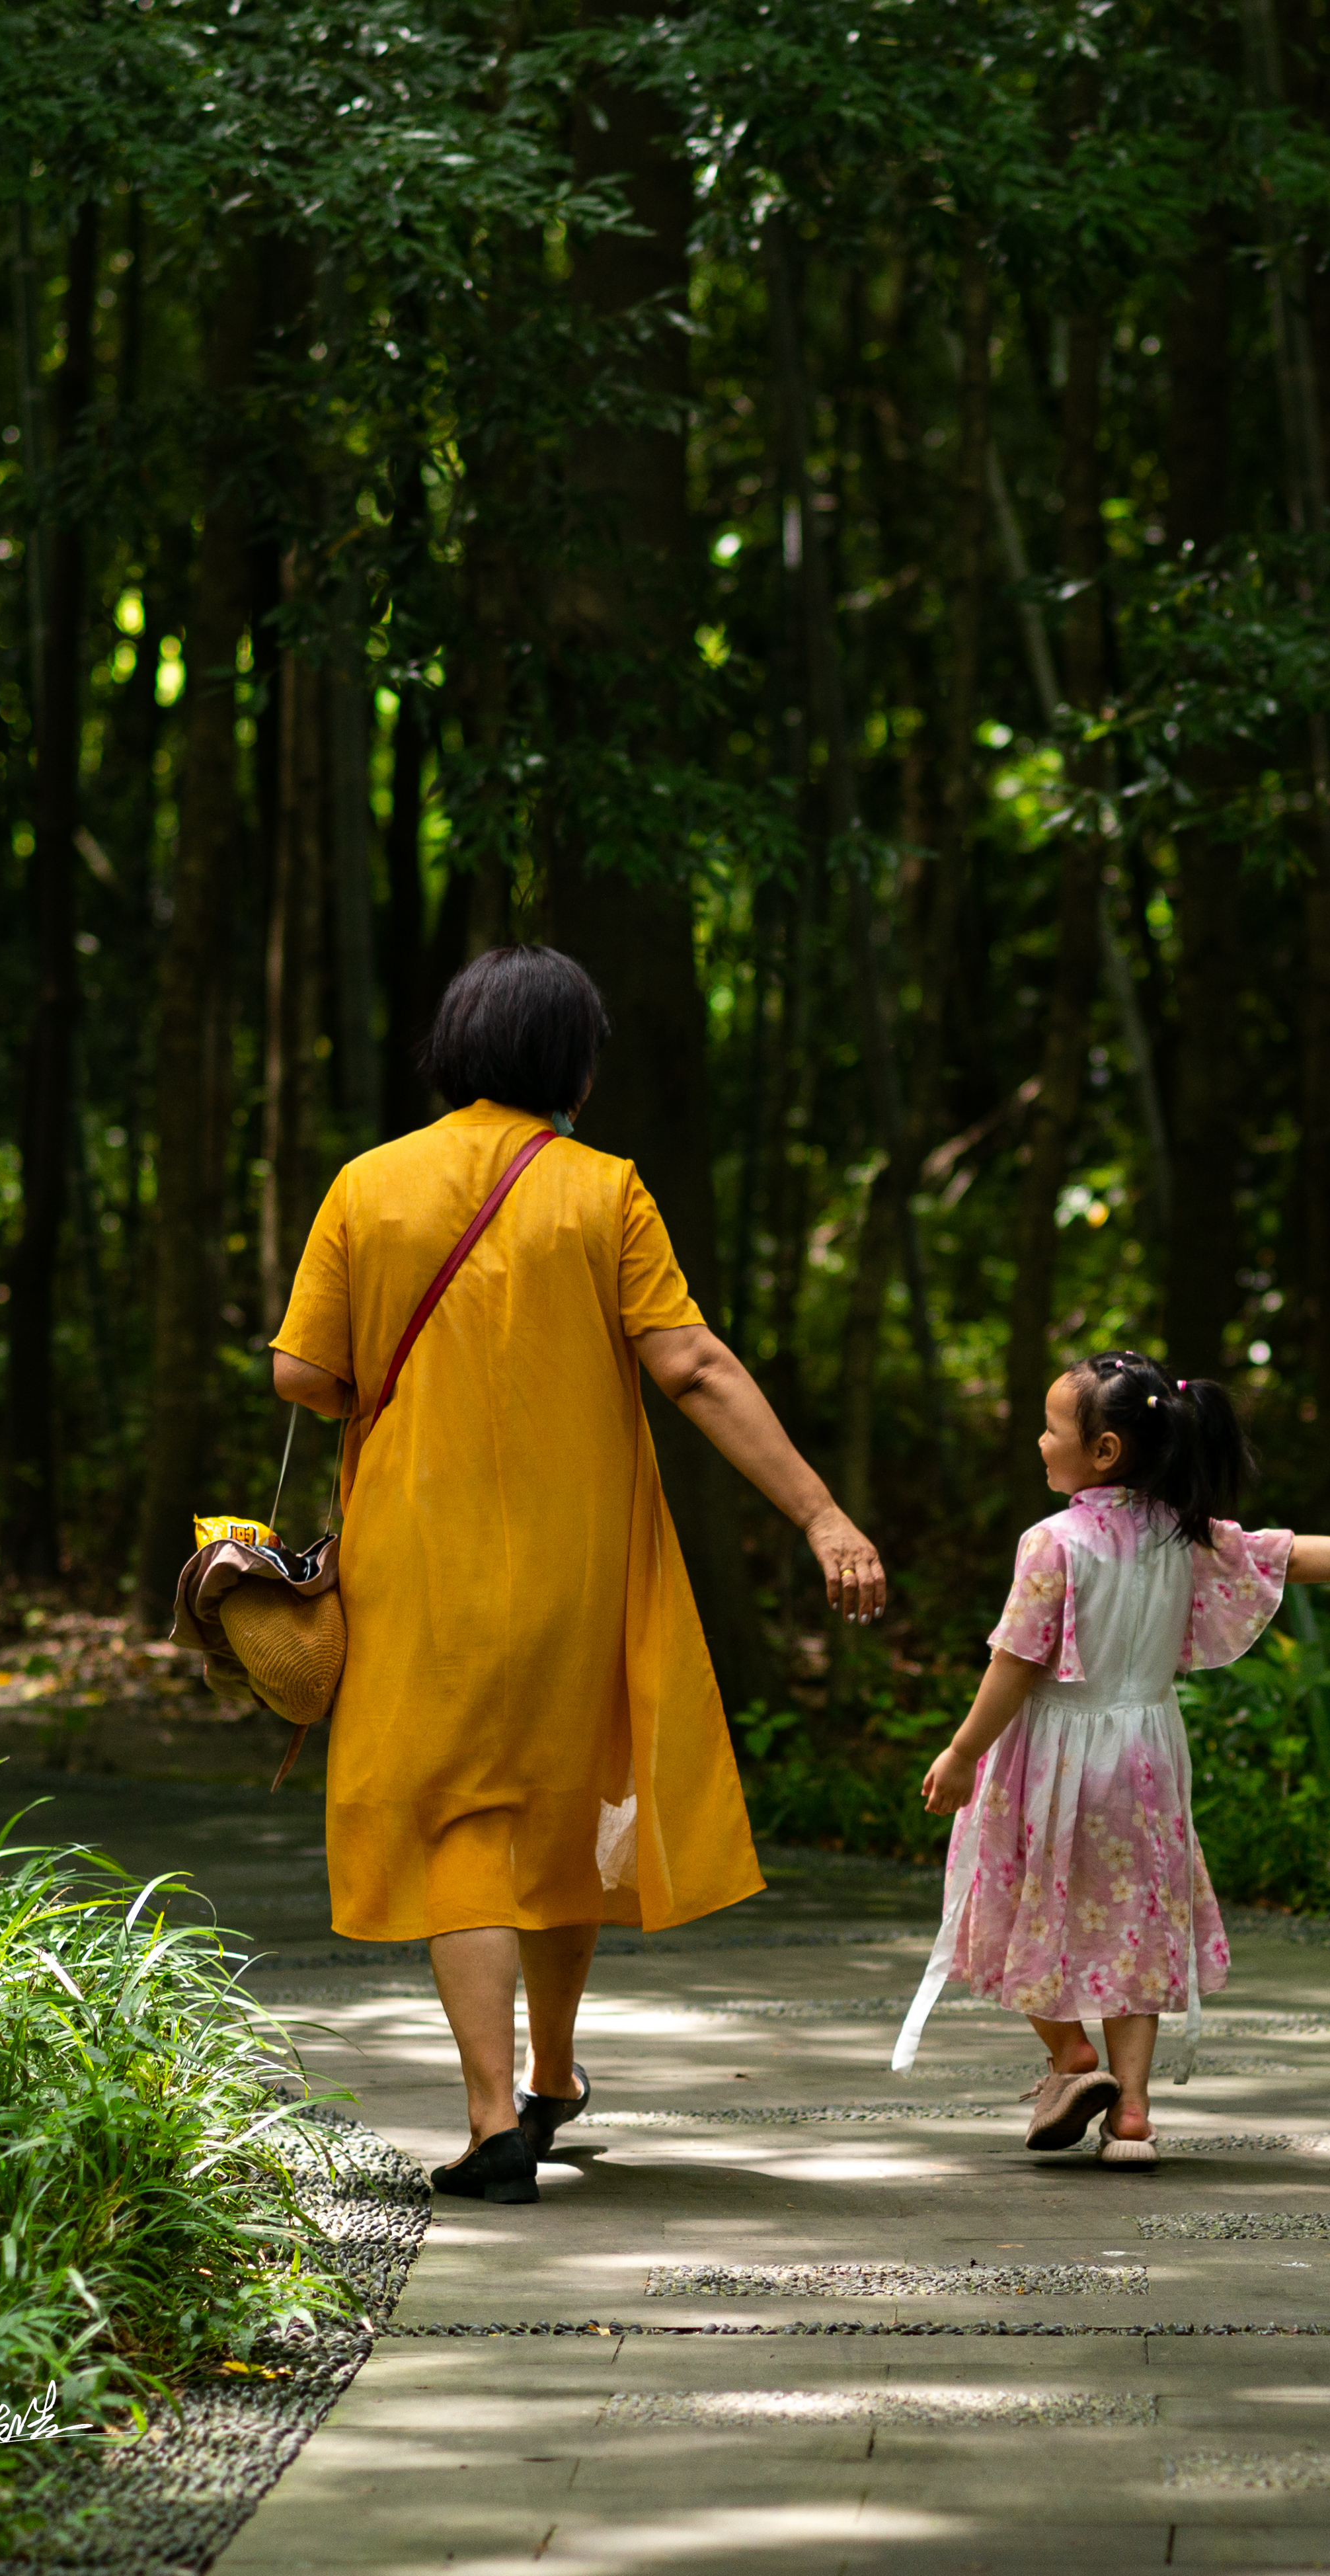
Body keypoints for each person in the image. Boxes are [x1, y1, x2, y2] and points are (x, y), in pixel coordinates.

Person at [270, 946, 886, 2206]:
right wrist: (821, 1513)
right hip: (574, 1558)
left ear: (452, 1048)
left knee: (459, 1822)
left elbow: (304, 1375)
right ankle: (553, 2075)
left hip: (414, 1562)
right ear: (575, 1064)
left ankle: (497, 2116)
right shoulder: (603, 1191)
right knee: (554, 1801)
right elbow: (694, 1366)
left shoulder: (367, 1185)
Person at [892, 1349, 1330, 2163]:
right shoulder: (1181, 1533)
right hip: (1146, 1759)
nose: (1038, 1441)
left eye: (1051, 1429)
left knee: (1006, 1902)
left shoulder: (1050, 1542)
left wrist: (959, 1751)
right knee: (1132, 1925)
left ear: (1104, 1452)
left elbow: (1014, 1663)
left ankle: (1071, 2056)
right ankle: (1132, 2118)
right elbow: (1290, 1555)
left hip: (1050, 1756)